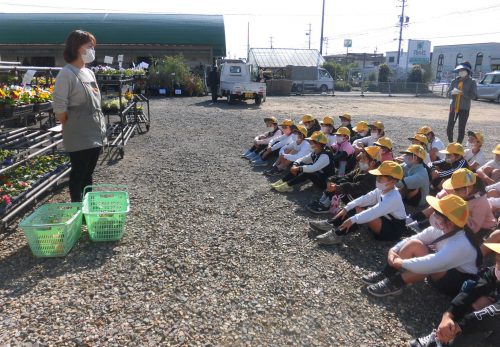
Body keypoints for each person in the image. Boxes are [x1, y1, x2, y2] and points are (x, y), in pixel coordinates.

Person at [364, 194, 481, 298]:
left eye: (437, 213)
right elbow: (413, 239)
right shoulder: (442, 229)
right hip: (441, 271)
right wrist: (393, 250)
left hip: (454, 284)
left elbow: (433, 263)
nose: (434, 215)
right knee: (414, 244)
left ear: (449, 222)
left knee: (428, 263)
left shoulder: (461, 243)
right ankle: (387, 273)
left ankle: (395, 283)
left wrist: (401, 262)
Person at [409, 242, 500, 347]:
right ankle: (441, 340)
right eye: (497, 259)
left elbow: (492, 314)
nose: (497, 264)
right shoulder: (495, 271)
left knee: (486, 315)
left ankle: (449, 341)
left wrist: (458, 328)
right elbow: (472, 291)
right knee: (479, 298)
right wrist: (448, 315)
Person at [53, 30, 106, 202]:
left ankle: (88, 206)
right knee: (79, 173)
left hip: (95, 130)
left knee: (88, 174)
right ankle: (78, 209)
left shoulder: (89, 72)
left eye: (93, 47)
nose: (92, 50)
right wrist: (69, 125)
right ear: (77, 47)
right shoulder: (66, 73)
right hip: (78, 132)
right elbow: (59, 105)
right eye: (89, 46)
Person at [315, 161, 407, 245]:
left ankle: (337, 234)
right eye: (377, 176)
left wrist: (353, 219)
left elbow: (373, 212)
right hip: (383, 219)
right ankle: (332, 223)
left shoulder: (393, 197)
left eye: (380, 177)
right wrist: (347, 208)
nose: (377, 179)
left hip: (393, 228)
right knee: (358, 206)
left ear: (393, 181)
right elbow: (365, 198)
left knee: (363, 212)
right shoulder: (381, 189)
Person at [408, 169, 496, 236]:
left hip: (481, 228)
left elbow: (474, 228)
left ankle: (421, 227)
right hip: (460, 221)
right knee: (439, 209)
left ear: (468, 188)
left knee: (446, 216)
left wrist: (451, 215)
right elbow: (442, 195)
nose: (453, 190)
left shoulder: (480, 202)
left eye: (456, 189)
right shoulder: (459, 190)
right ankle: (412, 220)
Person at [307, 145, 379, 218]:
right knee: (337, 182)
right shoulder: (362, 170)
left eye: (363, 158)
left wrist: (338, 187)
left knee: (340, 188)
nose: (360, 160)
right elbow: (348, 176)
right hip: (354, 193)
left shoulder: (373, 177)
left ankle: (326, 205)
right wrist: (331, 179)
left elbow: (357, 187)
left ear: (372, 163)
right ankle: (323, 201)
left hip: (360, 201)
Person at [446, 62, 477, 144]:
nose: (461, 71)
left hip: (464, 108)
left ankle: (458, 145)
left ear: (467, 71)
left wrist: (462, 93)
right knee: (449, 127)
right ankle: (451, 143)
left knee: (461, 128)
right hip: (453, 107)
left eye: (463, 70)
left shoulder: (472, 82)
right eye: (460, 70)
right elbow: (447, 94)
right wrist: (452, 93)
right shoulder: (454, 81)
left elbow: (473, 96)